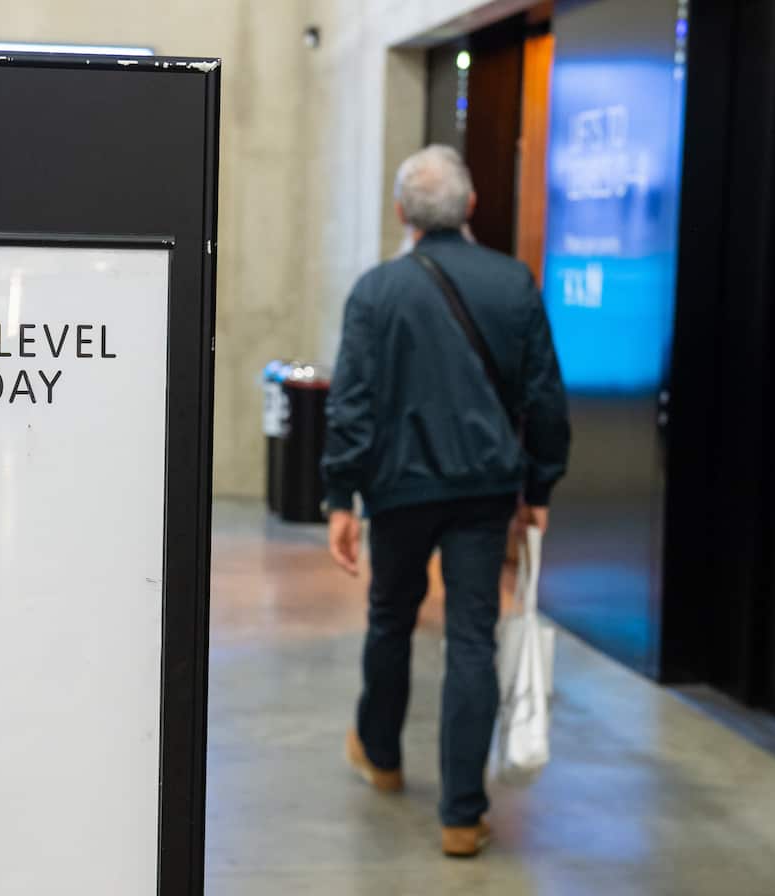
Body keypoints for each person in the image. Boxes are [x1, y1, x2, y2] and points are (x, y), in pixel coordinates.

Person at [320, 145, 570, 858]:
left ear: (402, 214)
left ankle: (382, 755)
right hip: (485, 492)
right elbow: (544, 395)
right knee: (470, 638)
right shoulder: (512, 284)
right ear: (470, 207)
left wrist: (341, 494)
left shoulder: (377, 291)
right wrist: (541, 485)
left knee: (390, 619)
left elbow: (353, 403)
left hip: (398, 491)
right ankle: (462, 814)